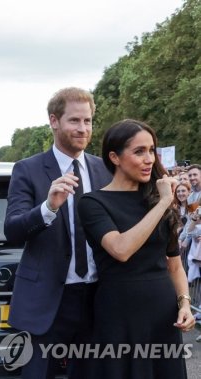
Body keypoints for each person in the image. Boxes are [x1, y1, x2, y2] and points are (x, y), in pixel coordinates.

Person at [3, 87, 111, 378]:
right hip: (46, 302)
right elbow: (12, 230)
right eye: (74, 121)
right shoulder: (28, 170)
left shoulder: (105, 171)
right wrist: (48, 207)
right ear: (54, 121)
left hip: (96, 300)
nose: (83, 128)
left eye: (88, 121)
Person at [78, 119, 194, 378]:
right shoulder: (93, 203)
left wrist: (184, 303)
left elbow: (174, 265)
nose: (149, 159)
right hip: (118, 314)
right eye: (139, 151)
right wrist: (164, 202)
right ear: (114, 157)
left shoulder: (155, 201)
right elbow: (121, 249)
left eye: (151, 150)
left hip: (162, 313)